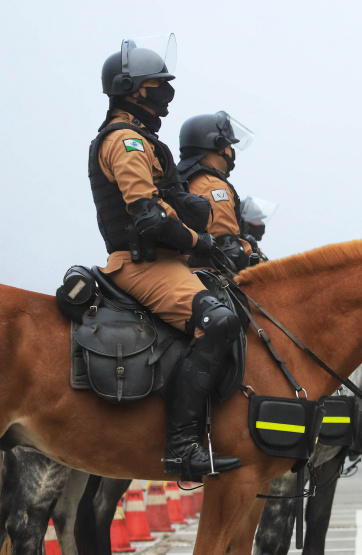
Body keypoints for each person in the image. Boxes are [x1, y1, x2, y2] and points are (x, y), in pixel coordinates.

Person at [90, 39, 241, 481]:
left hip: (164, 260)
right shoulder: (126, 141)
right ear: (133, 89)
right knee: (218, 322)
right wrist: (201, 241)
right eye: (160, 86)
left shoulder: (145, 141)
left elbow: (174, 204)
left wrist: (193, 232)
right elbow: (149, 217)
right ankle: (182, 447)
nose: (166, 95)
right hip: (141, 263)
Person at [176, 111, 264, 271]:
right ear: (218, 146)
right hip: (207, 272)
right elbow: (229, 249)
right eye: (229, 145)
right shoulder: (212, 185)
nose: (231, 151)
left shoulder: (185, 180)